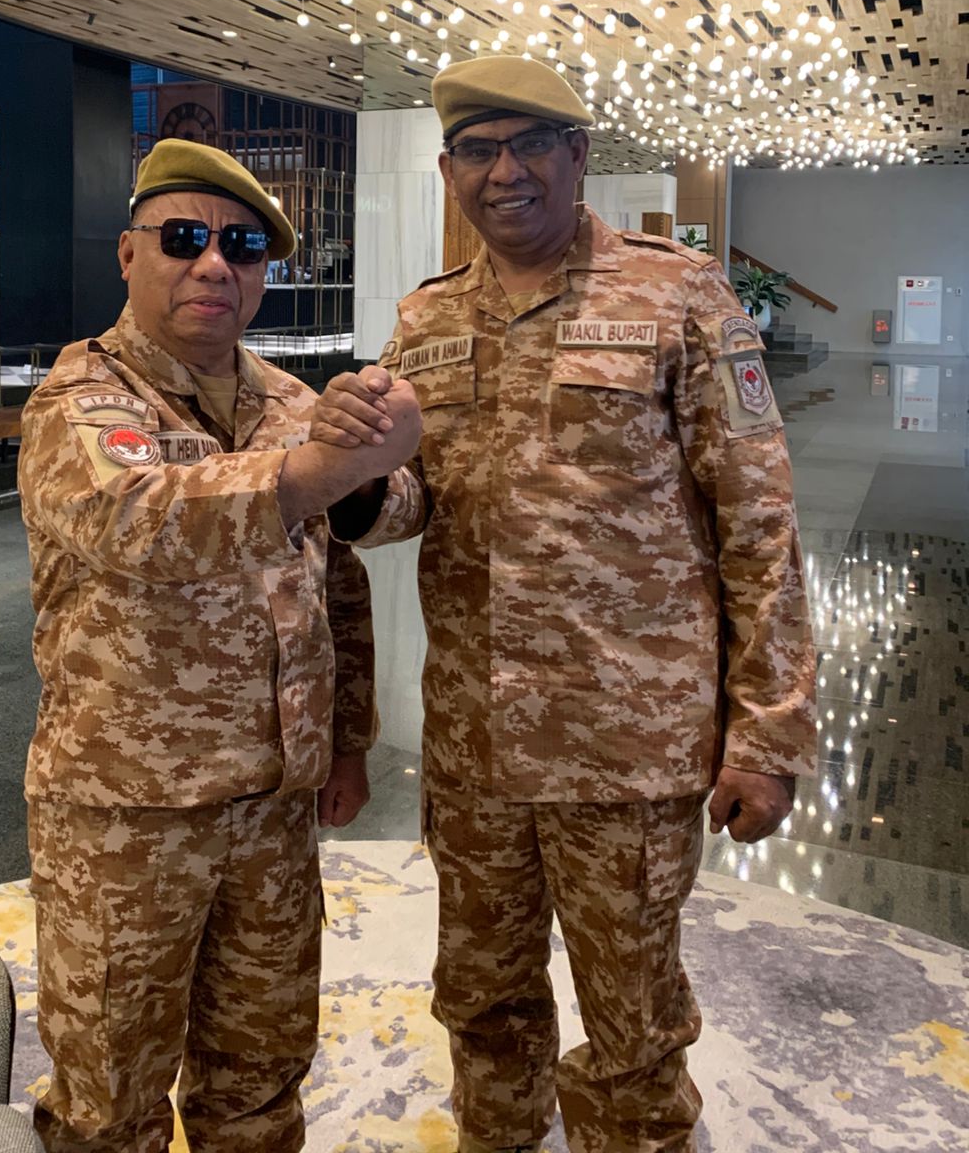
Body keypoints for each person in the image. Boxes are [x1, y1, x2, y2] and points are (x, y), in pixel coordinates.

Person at [311, 56, 817, 1153]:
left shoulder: (678, 294)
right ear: (449, 170)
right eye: (478, 151)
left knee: (634, 1026)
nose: (505, 172)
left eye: (530, 144)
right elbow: (415, 496)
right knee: (481, 1000)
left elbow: (760, 521)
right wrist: (356, 484)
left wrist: (769, 733)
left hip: (626, 750)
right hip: (476, 747)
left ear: (577, 155)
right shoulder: (426, 318)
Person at [18, 138, 419, 1153]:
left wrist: (347, 741)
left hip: (271, 811)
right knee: (110, 1100)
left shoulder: (289, 404)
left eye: (242, 247)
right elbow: (140, 518)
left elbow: (348, 570)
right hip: (129, 820)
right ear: (128, 254)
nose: (213, 265)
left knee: (260, 1081)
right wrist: (319, 470)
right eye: (184, 238)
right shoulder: (83, 399)